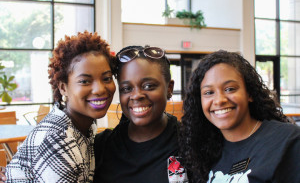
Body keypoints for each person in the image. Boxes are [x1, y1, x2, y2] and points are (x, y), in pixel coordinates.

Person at [4, 31, 116, 182]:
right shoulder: (57, 139)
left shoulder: (84, 127)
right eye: (84, 81)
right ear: (63, 87)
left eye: (107, 78)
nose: (100, 89)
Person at [179, 50, 300, 183]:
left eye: (230, 89)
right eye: (209, 92)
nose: (219, 100)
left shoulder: (287, 140)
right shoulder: (204, 150)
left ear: (250, 93)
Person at [93, 46, 189, 183]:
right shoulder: (101, 147)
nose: (137, 95)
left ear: (169, 88)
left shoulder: (190, 142)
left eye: (148, 86)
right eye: (127, 88)